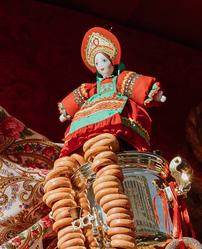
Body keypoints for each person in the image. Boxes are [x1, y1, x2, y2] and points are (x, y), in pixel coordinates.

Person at [57, 28, 166, 157]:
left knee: (117, 130)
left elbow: (135, 85)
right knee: (90, 133)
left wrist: (154, 94)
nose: (101, 65)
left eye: (104, 61)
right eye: (97, 63)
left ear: (112, 61)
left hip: (116, 109)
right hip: (93, 111)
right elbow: (79, 97)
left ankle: (118, 146)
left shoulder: (119, 80)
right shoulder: (92, 88)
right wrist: (67, 112)